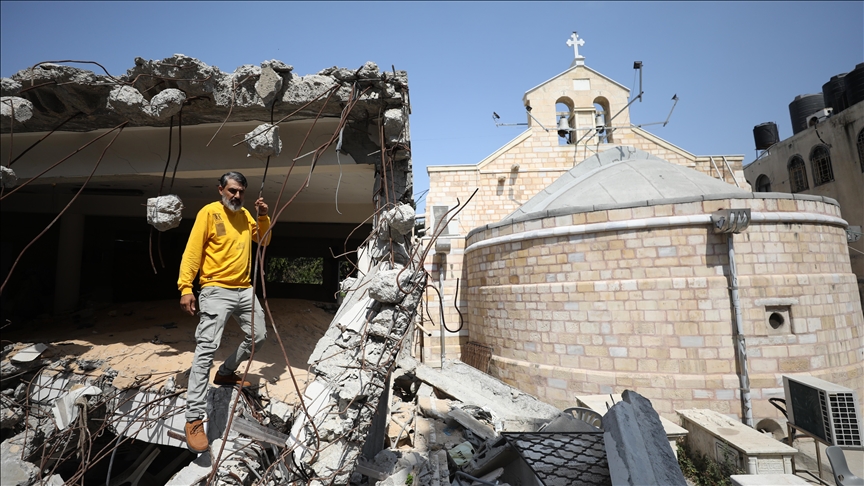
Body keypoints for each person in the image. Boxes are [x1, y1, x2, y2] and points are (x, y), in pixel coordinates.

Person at [177, 171, 271, 453]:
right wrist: (185, 287)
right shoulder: (209, 213)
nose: (237, 196)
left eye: (241, 191)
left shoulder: (245, 216)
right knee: (206, 349)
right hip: (215, 288)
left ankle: (227, 371)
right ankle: (193, 419)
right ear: (221, 189)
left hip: (244, 290)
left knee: (259, 336)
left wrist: (264, 216)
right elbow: (192, 251)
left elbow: (263, 241)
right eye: (232, 190)